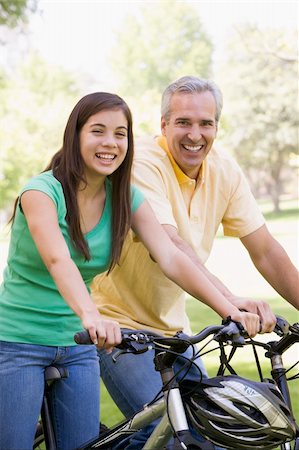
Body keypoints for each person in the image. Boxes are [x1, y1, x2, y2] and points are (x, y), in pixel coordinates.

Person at [0, 91, 262, 450]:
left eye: (120, 133)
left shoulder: (125, 197)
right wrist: (92, 316)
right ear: (75, 136)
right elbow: (58, 260)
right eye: (98, 131)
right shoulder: (41, 192)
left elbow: (170, 256)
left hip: (77, 346)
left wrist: (229, 308)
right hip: (19, 342)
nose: (110, 142)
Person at [91, 77, 299, 449]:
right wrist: (231, 302)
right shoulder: (142, 165)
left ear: (217, 126)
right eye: (183, 122)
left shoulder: (224, 171)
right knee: (168, 436)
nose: (195, 134)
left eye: (206, 123)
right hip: (118, 327)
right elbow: (169, 245)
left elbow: (265, 249)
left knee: (216, 430)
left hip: (177, 332)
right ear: (164, 126)